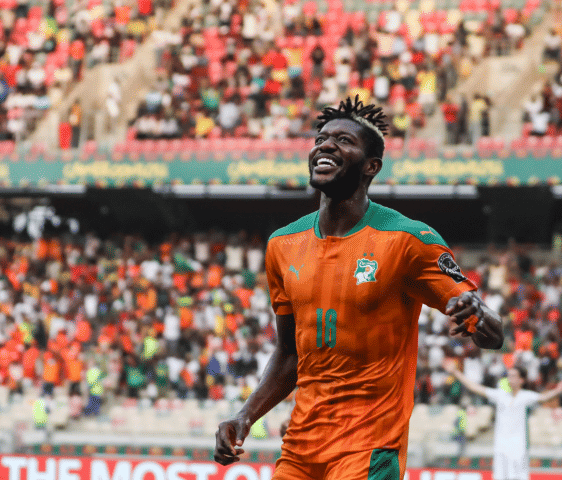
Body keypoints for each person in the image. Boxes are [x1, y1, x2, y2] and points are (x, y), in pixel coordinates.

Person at [213, 96, 505, 479]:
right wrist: (245, 415)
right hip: (301, 448)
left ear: (372, 166)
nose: (326, 146)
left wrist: (479, 316)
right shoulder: (282, 245)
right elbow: (288, 354)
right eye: (321, 139)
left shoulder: (408, 239)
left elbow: (492, 333)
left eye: (344, 141)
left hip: (369, 448)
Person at [444, 360, 562, 480]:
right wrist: (455, 372)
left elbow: (543, 398)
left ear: (521, 380)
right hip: (501, 446)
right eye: (509, 376)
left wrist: (557, 391)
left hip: (518, 446)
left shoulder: (526, 396)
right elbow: (474, 387)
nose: (510, 379)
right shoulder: (500, 395)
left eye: (513, 376)